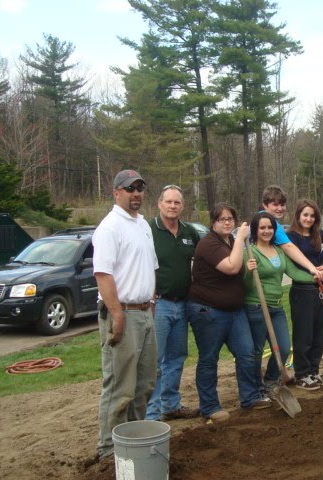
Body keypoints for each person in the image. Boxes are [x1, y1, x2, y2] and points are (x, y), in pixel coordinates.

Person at [93, 169, 158, 459]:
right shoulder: (110, 227)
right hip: (123, 314)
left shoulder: (142, 224)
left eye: (140, 188)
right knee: (121, 386)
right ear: (116, 192)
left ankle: (133, 441)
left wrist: (151, 304)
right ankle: (109, 450)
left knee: (144, 384)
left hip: (144, 312)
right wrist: (117, 315)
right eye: (130, 188)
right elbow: (103, 274)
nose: (136, 194)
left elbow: (148, 268)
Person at [188, 203, 271, 423]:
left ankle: (250, 397)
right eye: (221, 219)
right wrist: (242, 238)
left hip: (234, 311)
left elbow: (239, 271)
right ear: (213, 223)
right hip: (208, 312)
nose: (226, 222)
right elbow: (232, 267)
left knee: (246, 353)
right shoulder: (208, 244)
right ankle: (210, 406)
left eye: (230, 219)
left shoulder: (231, 242)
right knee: (209, 359)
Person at [243, 212, 317, 395]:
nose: (267, 231)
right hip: (257, 307)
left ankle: (270, 380)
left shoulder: (279, 250)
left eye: (270, 227)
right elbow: (244, 285)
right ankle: (256, 389)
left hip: (276, 307)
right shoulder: (250, 252)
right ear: (255, 230)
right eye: (262, 228)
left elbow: (294, 272)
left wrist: (316, 277)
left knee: (284, 347)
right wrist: (247, 271)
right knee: (257, 351)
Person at [145, 185, 200, 422]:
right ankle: (152, 414)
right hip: (159, 304)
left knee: (177, 356)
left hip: (183, 303)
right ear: (159, 203)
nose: (172, 206)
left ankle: (171, 404)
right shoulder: (148, 230)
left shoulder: (189, 232)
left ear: (182, 206)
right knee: (155, 359)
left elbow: (204, 258)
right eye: (168, 202)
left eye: (177, 203)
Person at [286, 199, 323, 390]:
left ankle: (314, 371)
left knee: (319, 332)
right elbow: (293, 258)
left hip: (320, 287)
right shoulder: (291, 236)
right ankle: (302, 373)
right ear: (298, 215)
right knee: (304, 334)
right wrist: (309, 267)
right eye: (305, 215)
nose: (308, 219)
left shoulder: (316, 233)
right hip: (302, 289)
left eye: (312, 215)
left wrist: (319, 262)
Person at [260, 185, 323, 283]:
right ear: (265, 205)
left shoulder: (265, 219)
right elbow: (288, 247)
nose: (280, 208)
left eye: (282, 204)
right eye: (275, 205)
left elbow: (292, 271)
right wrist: (312, 268)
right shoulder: (269, 223)